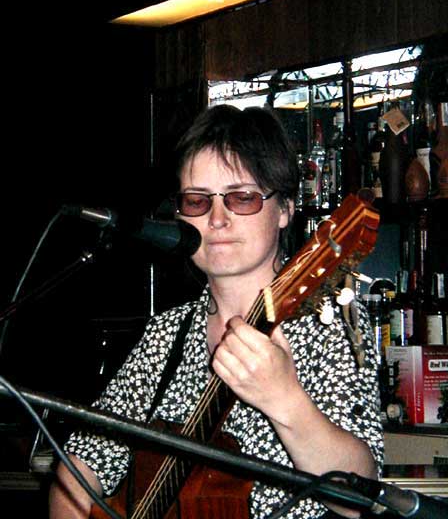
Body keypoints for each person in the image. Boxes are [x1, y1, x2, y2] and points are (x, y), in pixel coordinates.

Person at [49, 104, 383, 519]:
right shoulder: (166, 335)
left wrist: (286, 400)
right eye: (197, 201)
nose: (217, 219)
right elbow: (76, 473)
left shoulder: (327, 326)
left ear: (285, 209)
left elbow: (357, 497)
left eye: (242, 198)